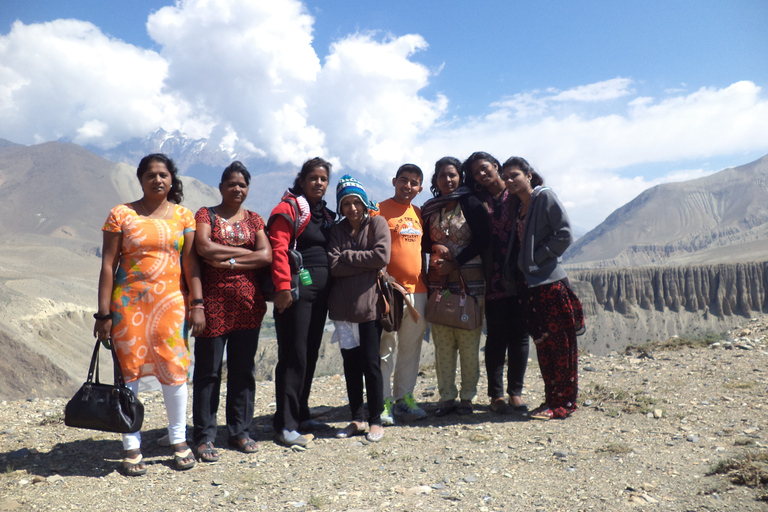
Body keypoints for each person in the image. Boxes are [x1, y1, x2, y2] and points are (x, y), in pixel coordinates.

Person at [93, 153, 204, 476]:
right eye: (151, 175)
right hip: (128, 307)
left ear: (172, 180)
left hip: (172, 307)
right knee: (129, 374)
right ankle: (131, 445)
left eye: (163, 175)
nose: (158, 180)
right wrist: (103, 314)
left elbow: (191, 264)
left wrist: (197, 304)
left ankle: (178, 440)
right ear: (140, 179)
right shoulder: (120, 215)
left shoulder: (184, 217)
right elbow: (107, 265)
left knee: (175, 370)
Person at [192, 161, 272, 462]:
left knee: (243, 371)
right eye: (231, 183)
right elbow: (204, 247)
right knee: (208, 372)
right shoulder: (206, 215)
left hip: (248, 306)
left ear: (248, 189)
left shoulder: (254, 219)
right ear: (221, 186)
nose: (237, 188)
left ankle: (239, 431)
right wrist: (247, 254)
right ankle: (204, 436)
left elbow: (267, 255)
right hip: (213, 306)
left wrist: (230, 262)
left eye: (242, 184)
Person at [501, 156, 583, 420]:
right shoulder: (520, 206)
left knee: (561, 345)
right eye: (506, 177)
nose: (510, 181)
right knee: (544, 345)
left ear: (529, 175)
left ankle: (564, 403)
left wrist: (538, 257)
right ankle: (551, 400)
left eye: (514, 175)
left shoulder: (544, 197)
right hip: (531, 286)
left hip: (549, 285)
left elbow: (565, 233)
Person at [269, 157, 336, 447]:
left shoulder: (325, 214)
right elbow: (279, 248)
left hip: (320, 296)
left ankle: (301, 412)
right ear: (302, 180)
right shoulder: (289, 209)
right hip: (295, 294)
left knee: (308, 353)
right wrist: (283, 288)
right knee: (293, 356)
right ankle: (285, 425)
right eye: (313, 178)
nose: (318, 183)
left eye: (323, 179)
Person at [421, 157, 491, 417]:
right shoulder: (430, 209)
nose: (448, 180)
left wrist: (456, 263)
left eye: (452, 175)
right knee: (443, 342)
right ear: (436, 180)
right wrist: (437, 252)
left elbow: (483, 238)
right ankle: (447, 397)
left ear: (460, 176)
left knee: (468, 341)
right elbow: (423, 243)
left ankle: (467, 398)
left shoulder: (470, 203)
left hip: (470, 283)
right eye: (442, 176)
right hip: (439, 284)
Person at [463, 152, 530, 414]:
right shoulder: (477, 200)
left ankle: (516, 392)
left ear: (495, 166)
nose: (482, 174)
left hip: (521, 272)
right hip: (492, 273)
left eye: (484, 168)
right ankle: (496, 396)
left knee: (520, 335)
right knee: (496, 336)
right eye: (475, 172)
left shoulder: (516, 196)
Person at [328, 175, 391, 442]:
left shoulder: (377, 223)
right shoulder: (336, 230)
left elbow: (382, 257)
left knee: (371, 363)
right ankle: (357, 417)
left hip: (368, 307)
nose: (352, 208)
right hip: (342, 311)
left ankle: (375, 419)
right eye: (346, 203)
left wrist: (348, 257)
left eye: (356, 202)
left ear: (365, 202)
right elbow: (333, 265)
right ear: (340, 207)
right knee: (351, 365)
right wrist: (361, 262)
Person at [372, 164, 429, 425]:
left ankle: (404, 398)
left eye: (414, 182)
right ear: (394, 181)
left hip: (418, 291)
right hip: (388, 291)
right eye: (403, 180)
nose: (408, 186)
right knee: (385, 347)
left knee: (410, 348)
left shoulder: (418, 213)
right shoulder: (379, 210)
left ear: (420, 188)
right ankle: (382, 401)